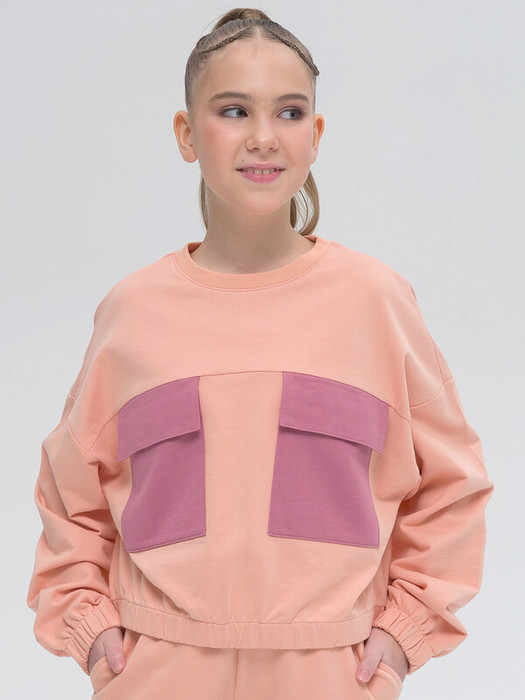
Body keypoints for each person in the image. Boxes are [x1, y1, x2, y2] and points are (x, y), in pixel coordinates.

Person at [27, 7, 494, 699]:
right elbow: (71, 498)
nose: (264, 136)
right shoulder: (134, 312)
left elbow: (451, 485)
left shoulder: (375, 303)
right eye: (233, 110)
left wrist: (402, 635)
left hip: (331, 673)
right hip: (158, 673)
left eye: (289, 112)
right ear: (187, 134)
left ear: (316, 135)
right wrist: (91, 631)